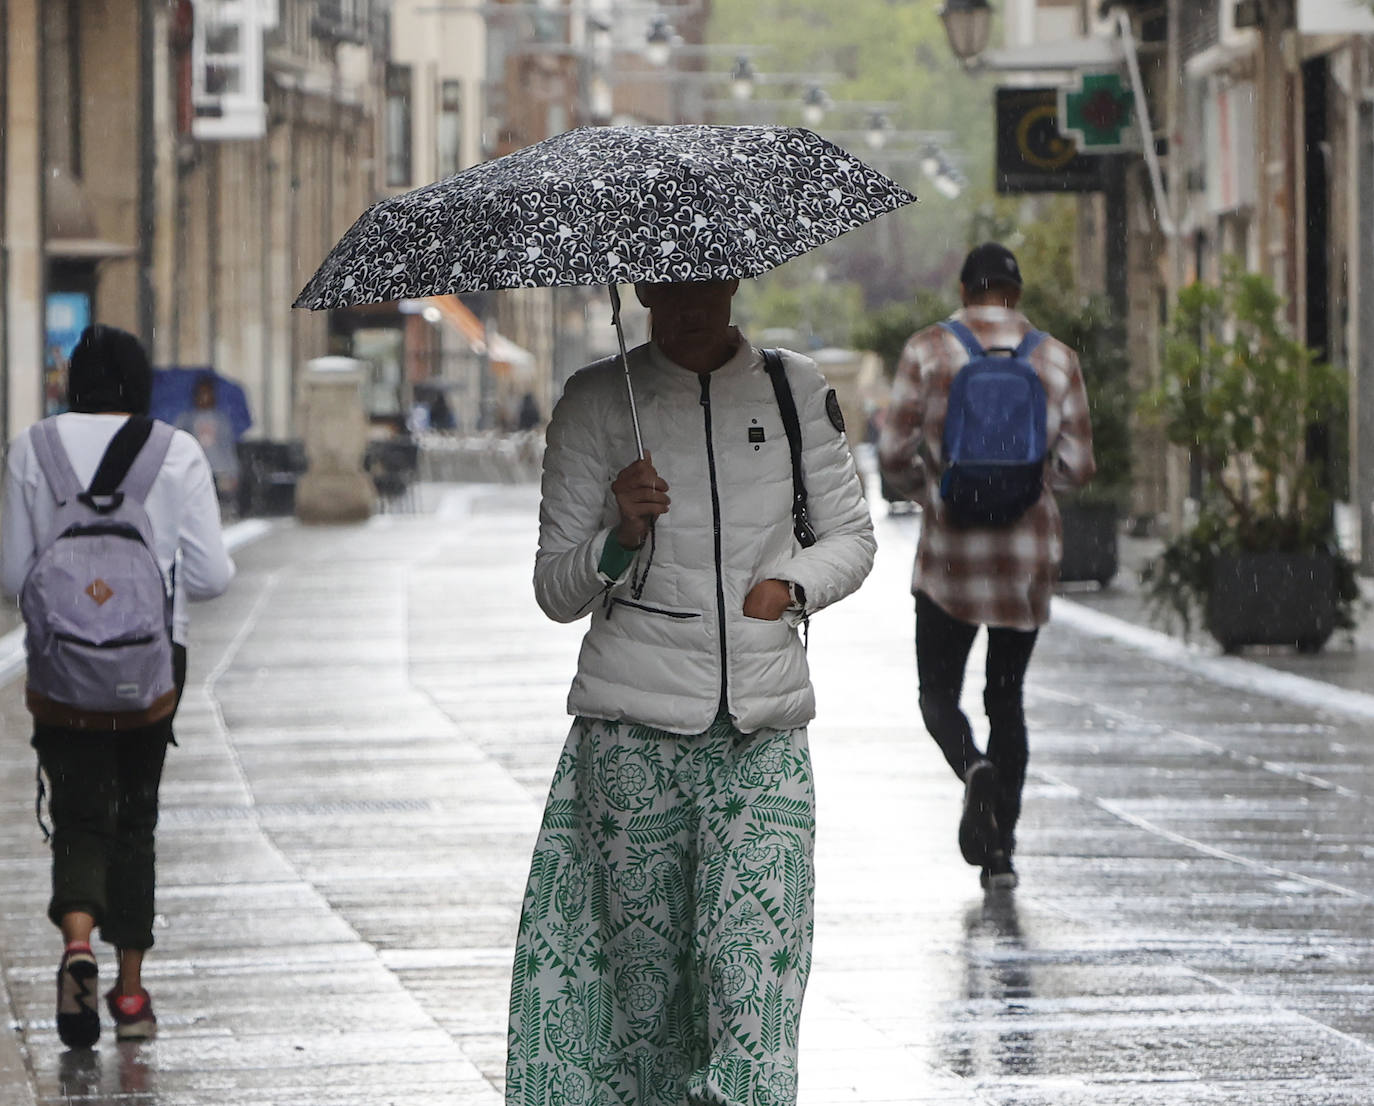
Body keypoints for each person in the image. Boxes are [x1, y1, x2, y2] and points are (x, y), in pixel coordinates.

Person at [506, 278, 876, 1106]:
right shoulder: (599, 402)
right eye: (671, 284)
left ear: (736, 280)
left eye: (708, 280)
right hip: (632, 740)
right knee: (646, 1009)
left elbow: (852, 536)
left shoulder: (794, 389)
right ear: (640, 287)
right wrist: (619, 535)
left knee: (754, 979)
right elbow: (556, 590)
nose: (690, 300)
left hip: (763, 733)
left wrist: (790, 585)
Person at [1, 324, 235, 1047]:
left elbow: (13, 578)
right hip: (151, 667)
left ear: (74, 382)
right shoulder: (177, 452)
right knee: (136, 820)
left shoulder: (30, 449)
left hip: (63, 668)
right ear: (140, 383)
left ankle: (76, 944)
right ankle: (130, 996)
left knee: (77, 815)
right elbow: (211, 577)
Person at [878, 243, 1095, 891]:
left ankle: (971, 766)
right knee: (1007, 698)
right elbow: (1080, 466)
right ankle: (1002, 854)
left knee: (937, 694)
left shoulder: (927, 350)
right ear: (1016, 292)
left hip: (950, 557)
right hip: (1026, 562)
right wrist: (1029, 487)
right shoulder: (1056, 358)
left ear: (966, 289)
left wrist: (935, 489)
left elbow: (892, 452)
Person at [173, 373, 241, 507]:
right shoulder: (187, 418)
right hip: (195, 468)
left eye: (208, 393)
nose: (204, 397)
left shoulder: (221, 420)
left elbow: (227, 446)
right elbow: (176, 440)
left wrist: (233, 471)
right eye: (201, 393)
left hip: (219, 469)